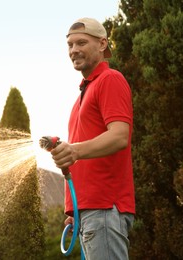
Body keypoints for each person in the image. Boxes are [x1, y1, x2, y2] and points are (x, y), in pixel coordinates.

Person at [50, 17, 135, 260]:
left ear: (102, 44)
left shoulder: (110, 80)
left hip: (105, 208)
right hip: (90, 211)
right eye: (70, 45)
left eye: (81, 42)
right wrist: (77, 209)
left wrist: (74, 151)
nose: (74, 50)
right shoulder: (82, 96)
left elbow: (120, 136)